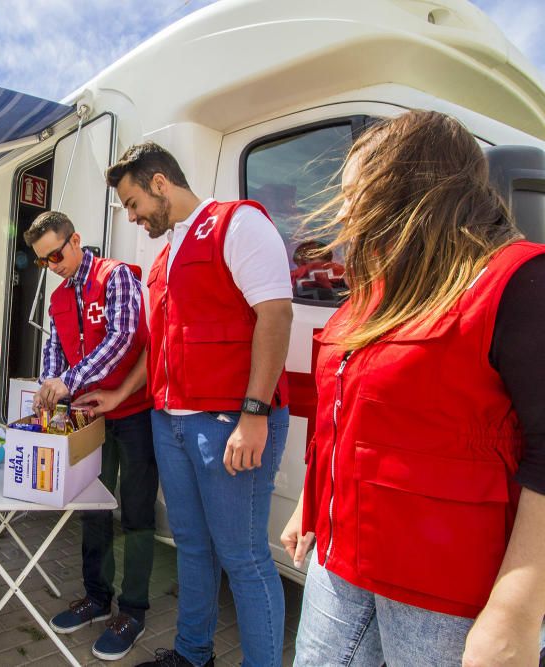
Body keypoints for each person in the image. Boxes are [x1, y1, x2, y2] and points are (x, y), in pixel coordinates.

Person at [281, 110, 545, 666]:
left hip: (443, 589)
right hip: (339, 558)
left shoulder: (517, 280)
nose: (346, 211)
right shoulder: (374, 292)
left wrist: (516, 610)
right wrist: (310, 502)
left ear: (410, 185)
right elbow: (341, 411)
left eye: (357, 192)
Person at [99, 142, 293, 667]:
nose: (133, 217)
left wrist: (254, 415)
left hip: (230, 422)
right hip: (173, 423)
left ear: (160, 183)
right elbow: (158, 347)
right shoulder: (162, 260)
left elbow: (275, 316)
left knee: (245, 558)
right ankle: (192, 655)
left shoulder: (237, 223)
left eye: (134, 203)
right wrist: (121, 393)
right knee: (191, 545)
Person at [24, 211, 158, 661]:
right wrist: (49, 384)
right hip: (88, 417)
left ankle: (133, 611)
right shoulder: (59, 296)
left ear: (76, 239)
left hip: (135, 413)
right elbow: (53, 348)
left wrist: (71, 379)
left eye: (57, 254)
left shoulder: (115, 276)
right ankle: (98, 600)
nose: (53, 265)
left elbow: (123, 338)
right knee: (92, 508)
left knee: (137, 514)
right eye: (43, 261)